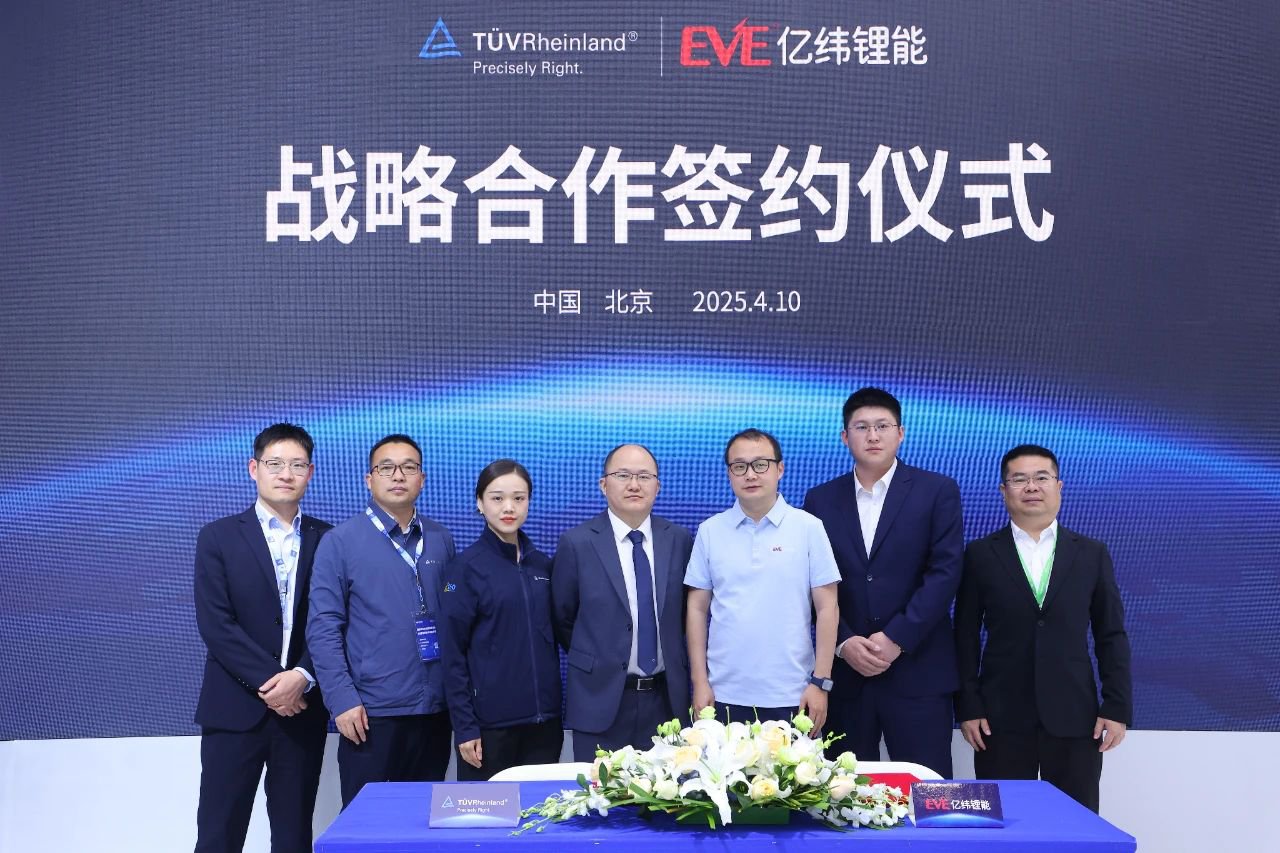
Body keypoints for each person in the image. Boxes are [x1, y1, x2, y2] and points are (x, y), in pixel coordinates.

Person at [955, 444, 1132, 812]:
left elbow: (1111, 635)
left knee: (1075, 824)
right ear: (1004, 490)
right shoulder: (980, 554)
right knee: (1003, 822)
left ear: (1059, 486)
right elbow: (964, 636)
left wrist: (1117, 706)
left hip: (1075, 715)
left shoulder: (1091, 554)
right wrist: (968, 705)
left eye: (1041, 477)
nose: (1031, 487)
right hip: (999, 717)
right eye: (1019, 479)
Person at [803, 387, 963, 777]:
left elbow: (945, 573)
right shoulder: (820, 500)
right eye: (861, 427)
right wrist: (843, 643)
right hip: (847, 677)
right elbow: (811, 582)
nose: (872, 436)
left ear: (900, 433)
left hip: (918, 672)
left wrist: (896, 638)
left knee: (929, 794)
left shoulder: (937, 490)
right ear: (845, 437)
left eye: (882, 426)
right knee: (841, 795)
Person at [193, 423, 332, 853]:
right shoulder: (218, 536)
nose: (286, 474)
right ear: (254, 469)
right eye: (275, 464)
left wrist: (302, 676)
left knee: (293, 837)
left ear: (310, 472)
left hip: (302, 711)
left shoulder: (329, 539)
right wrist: (275, 683)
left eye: (297, 465)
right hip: (235, 709)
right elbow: (217, 625)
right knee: (219, 835)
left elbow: (334, 623)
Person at [307, 434, 455, 807]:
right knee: (367, 824)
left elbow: (454, 614)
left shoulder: (440, 539)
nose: (398, 475)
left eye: (409, 467)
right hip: (371, 714)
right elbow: (323, 628)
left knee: (424, 821)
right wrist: (342, 700)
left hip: (435, 711)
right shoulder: (340, 542)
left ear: (422, 479)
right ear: (369, 479)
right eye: (386, 467)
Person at [685, 428, 840, 729]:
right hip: (722, 694)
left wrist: (820, 682)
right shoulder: (710, 531)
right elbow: (697, 609)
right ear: (729, 474)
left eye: (760, 464)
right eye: (739, 466)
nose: (750, 474)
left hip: (794, 694)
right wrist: (700, 681)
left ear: (780, 469)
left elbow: (827, 608)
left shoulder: (809, 528)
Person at [552, 444, 694, 761]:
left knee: (666, 791)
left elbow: (685, 614)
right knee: (599, 791)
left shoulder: (679, 539)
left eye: (644, 476)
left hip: (666, 703)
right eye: (623, 475)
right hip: (599, 699)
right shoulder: (577, 543)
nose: (634, 484)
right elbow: (563, 619)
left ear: (658, 486)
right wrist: (602, 656)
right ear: (604, 484)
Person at [440, 460, 562, 780]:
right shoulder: (465, 568)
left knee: (542, 809)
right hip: (489, 730)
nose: (509, 507)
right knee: (487, 813)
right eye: (497, 498)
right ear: (480, 503)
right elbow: (452, 654)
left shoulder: (543, 566)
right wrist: (465, 727)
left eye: (519, 498)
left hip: (545, 727)